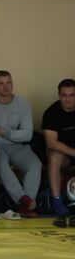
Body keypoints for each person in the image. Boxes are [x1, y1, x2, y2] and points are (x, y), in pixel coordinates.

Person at [0, 71, 40, 216]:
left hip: (17, 146)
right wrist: (14, 134)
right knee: (2, 165)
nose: (6, 86)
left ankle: (26, 203)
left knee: (35, 164)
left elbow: (28, 134)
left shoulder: (22, 104)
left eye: (8, 83)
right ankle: (23, 200)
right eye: (1, 83)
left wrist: (5, 132)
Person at [42, 78, 75, 217]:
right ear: (59, 95)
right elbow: (51, 143)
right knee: (54, 156)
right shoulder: (51, 113)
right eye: (64, 95)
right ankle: (57, 202)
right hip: (64, 155)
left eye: (72, 95)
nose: (68, 99)